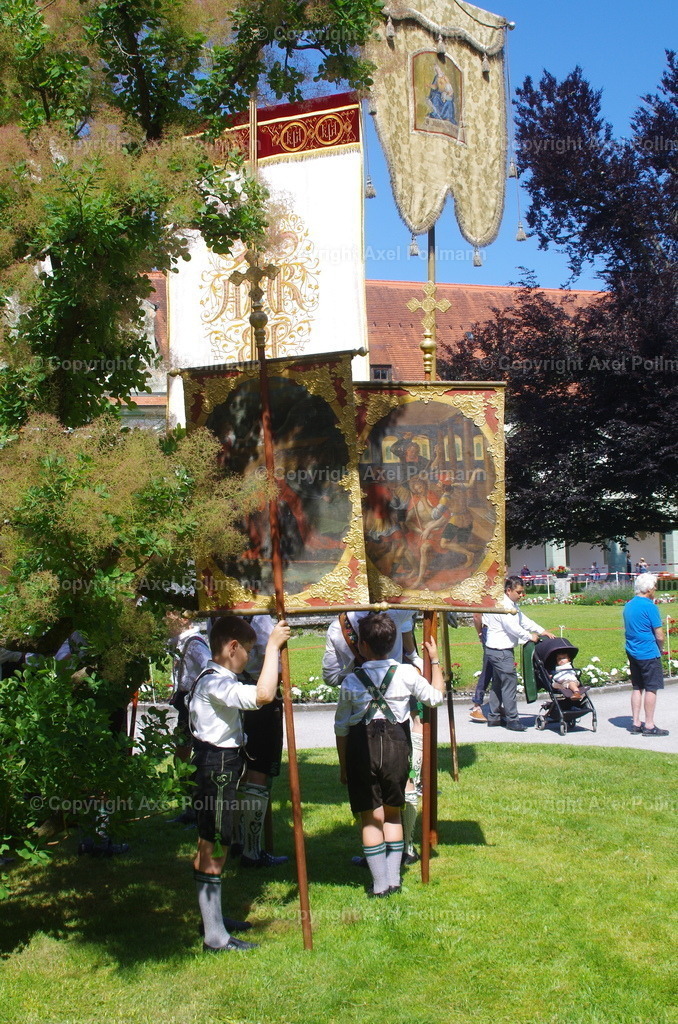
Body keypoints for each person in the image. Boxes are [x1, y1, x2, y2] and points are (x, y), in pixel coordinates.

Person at [189, 614, 291, 952]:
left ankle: (212, 918)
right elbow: (263, 695)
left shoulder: (214, 677)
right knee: (215, 845)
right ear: (232, 648)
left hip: (219, 765)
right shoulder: (216, 682)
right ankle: (215, 937)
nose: (250, 655)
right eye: (248, 650)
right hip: (217, 767)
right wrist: (274, 646)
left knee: (212, 843)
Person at [334, 613, 445, 897]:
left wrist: (343, 766)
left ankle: (380, 883)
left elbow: (342, 728)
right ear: (393, 642)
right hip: (397, 748)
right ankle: (394, 879)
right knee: (393, 814)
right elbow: (435, 698)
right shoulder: (407, 673)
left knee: (371, 818)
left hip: (361, 750)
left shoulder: (351, 681)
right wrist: (434, 661)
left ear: (362, 646)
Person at [322, 609, 424, 865]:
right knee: (404, 778)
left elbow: (331, 675)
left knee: (369, 794)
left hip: (361, 722)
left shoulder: (338, 626)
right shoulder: (397, 611)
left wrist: (358, 681)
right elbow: (423, 601)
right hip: (400, 693)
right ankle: (406, 848)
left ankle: (378, 858)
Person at [233, 614, 288, 869]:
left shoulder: (219, 612)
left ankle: (237, 840)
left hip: (233, 692)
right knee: (258, 771)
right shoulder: (262, 619)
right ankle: (251, 851)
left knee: (241, 770)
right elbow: (274, 664)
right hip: (260, 696)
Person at [482, 577, 555, 731]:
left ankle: (494, 717)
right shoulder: (503, 605)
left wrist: (542, 631)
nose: (522, 595)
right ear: (508, 590)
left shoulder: (509, 604)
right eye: (519, 592)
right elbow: (512, 627)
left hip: (496, 649)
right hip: (501, 650)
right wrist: (530, 636)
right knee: (509, 684)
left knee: (498, 683)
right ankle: (512, 720)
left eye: (523, 592)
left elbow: (523, 620)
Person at [623, 573, 669, 736]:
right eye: (654, 586)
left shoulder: (628, 605)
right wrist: (661, 648)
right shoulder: (650, 606)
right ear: (649, 589)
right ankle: (649, 725)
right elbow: (659, 634)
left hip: (632, 650)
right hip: (648, 651)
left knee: (637, 687)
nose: (655, 589)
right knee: (651, 687)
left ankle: (635, 722)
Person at [469, 612, 492, 722]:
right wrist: (480, 632)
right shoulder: (485, 595)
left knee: (496, 669)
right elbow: (477, 616)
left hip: (496, 631)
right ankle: (477, 704)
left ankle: (496, 705)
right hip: (491, 631)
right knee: (489, 668)